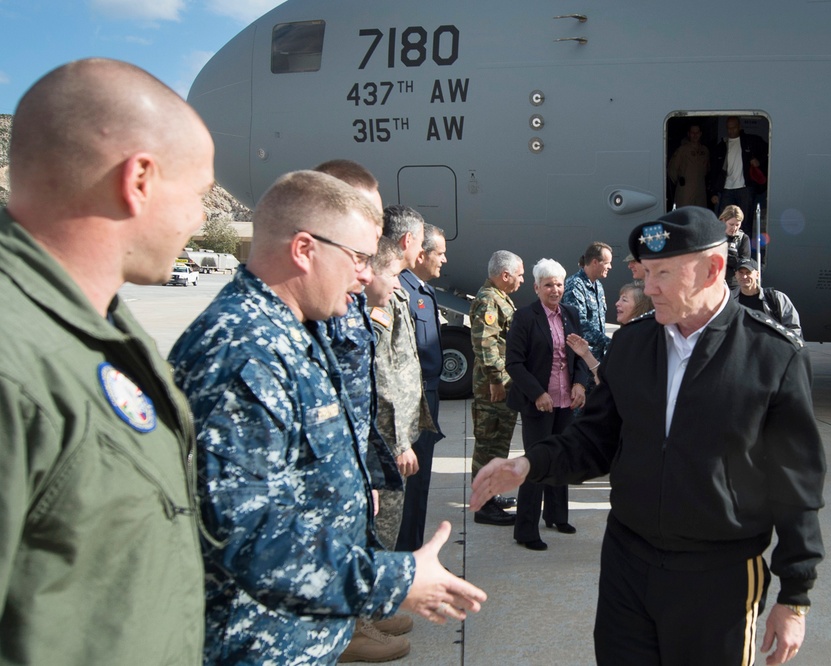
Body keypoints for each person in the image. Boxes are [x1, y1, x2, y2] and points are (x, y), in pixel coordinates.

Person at [471, 206, 825, 665]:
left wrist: (794, 595)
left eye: (662, 274)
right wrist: (529, 464)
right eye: (646, 272)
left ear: (713, 269)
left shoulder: (773, 357)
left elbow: (797, 485)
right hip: (627, 565)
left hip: (717, 577)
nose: (648, 287)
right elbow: (595, 438)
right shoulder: (633, 345)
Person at [169, 171, 485, 664]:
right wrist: (394, 580)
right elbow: (245, 536)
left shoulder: (297, 331)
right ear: (303, 249)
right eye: (359, 259)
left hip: (307, 627)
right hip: (259, 644)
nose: (367, 275)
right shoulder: (245, 352)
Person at [0, 58, 212, 664]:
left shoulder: (103, 329)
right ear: (139, 180)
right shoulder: (16, 360)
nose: (201, 218)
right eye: (197, 193)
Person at [312, 159, 414, 663]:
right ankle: (355, 619)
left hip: (358, 458)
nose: (371, 264)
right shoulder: (262, 336)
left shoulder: (338, 304)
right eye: (361, 250)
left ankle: (362, 613)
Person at [505, 259, 588, 551]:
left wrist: (580, 384)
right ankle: (526, 529)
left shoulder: (571, 314)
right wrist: (537, 393)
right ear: (537, 287)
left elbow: (579, 355)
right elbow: (513, 363)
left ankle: (556, 516)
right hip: (539, 404)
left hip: (566, 401)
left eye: (559, 284)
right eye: (549, 284)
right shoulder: (525, 317)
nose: (555, 290)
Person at [368, 205, 435, 553]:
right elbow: (382, 370)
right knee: (384, 531)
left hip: (400, 431)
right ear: (408, 239)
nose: (422, 250)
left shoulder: (398, 288)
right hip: (389, 440)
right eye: (421, 242)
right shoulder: (383, 292)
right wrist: (399, 443)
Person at [396, 222, 448, 551]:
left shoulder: (424, 292)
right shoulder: (400, 290)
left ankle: (413, 548)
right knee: (409, 485)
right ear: (421, 255)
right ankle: (405, 553)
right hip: (412, 398)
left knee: (422, 481)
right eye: (439, 253)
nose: (444, 260)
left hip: (429, 395)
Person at [470, 250, 525, 527]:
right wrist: (495, 380)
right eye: (520, 274)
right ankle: (483, 506)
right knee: (489, 445)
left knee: (498, 443)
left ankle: (490, 495)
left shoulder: (499, 298)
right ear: (505, 275)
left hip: (502, 383)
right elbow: (485, 343)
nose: (522, 280)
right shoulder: (489, 300)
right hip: (492, 388)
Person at [566, 281, 654, 379]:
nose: (617, 303)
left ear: (640, 306)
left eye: (624, 300)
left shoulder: (642, 342)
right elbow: (607, 382)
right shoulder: (623, 337)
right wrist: (586, 354)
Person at [711, 116, 768, 229]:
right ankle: (724, 245)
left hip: (745, 188)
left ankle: (744, 246)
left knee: (745, 221)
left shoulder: (751, 140)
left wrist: (758, 161)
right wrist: (713, 192)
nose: (731, 131)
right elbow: (715, 171)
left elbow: (768, 150)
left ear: (739, 127)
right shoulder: (721, 146)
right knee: (724, 221)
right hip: (726, 188)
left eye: (734, 128)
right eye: (729, 128)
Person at [562, 242, 612, 368]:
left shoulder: (598, 286)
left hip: (597, 357)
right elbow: (579, 323)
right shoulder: (575, 285)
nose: (610, 267)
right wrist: (608, 343)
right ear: (595, 262)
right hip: (582, 360)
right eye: (607, 263)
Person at [733, 258, 802, 337]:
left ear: (757, 275)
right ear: (736, 275)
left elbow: (793, 328)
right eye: (741, 273)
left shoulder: (776, 298)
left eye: (748, 272)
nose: (744, 276)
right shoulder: (729, 300)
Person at [668, 122, 711, 208]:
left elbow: (707, 169)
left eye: (697, 132)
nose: (695, 135)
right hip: (685, 191)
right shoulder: (682, 150)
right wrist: (680, 182)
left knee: (700, 215)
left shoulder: (705, 150)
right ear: (689, 134)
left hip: (700, 190)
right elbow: (672, 169)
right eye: (692, 132)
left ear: (700, 134)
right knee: (684, 215)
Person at [721, 204, 751, 287]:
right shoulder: (714, 236)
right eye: (731, 224)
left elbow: (745, 263)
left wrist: (730, 257)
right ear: (723, 221)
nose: (734, 228)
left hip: (733, 283)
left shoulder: (743, 238)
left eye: (737, 225)